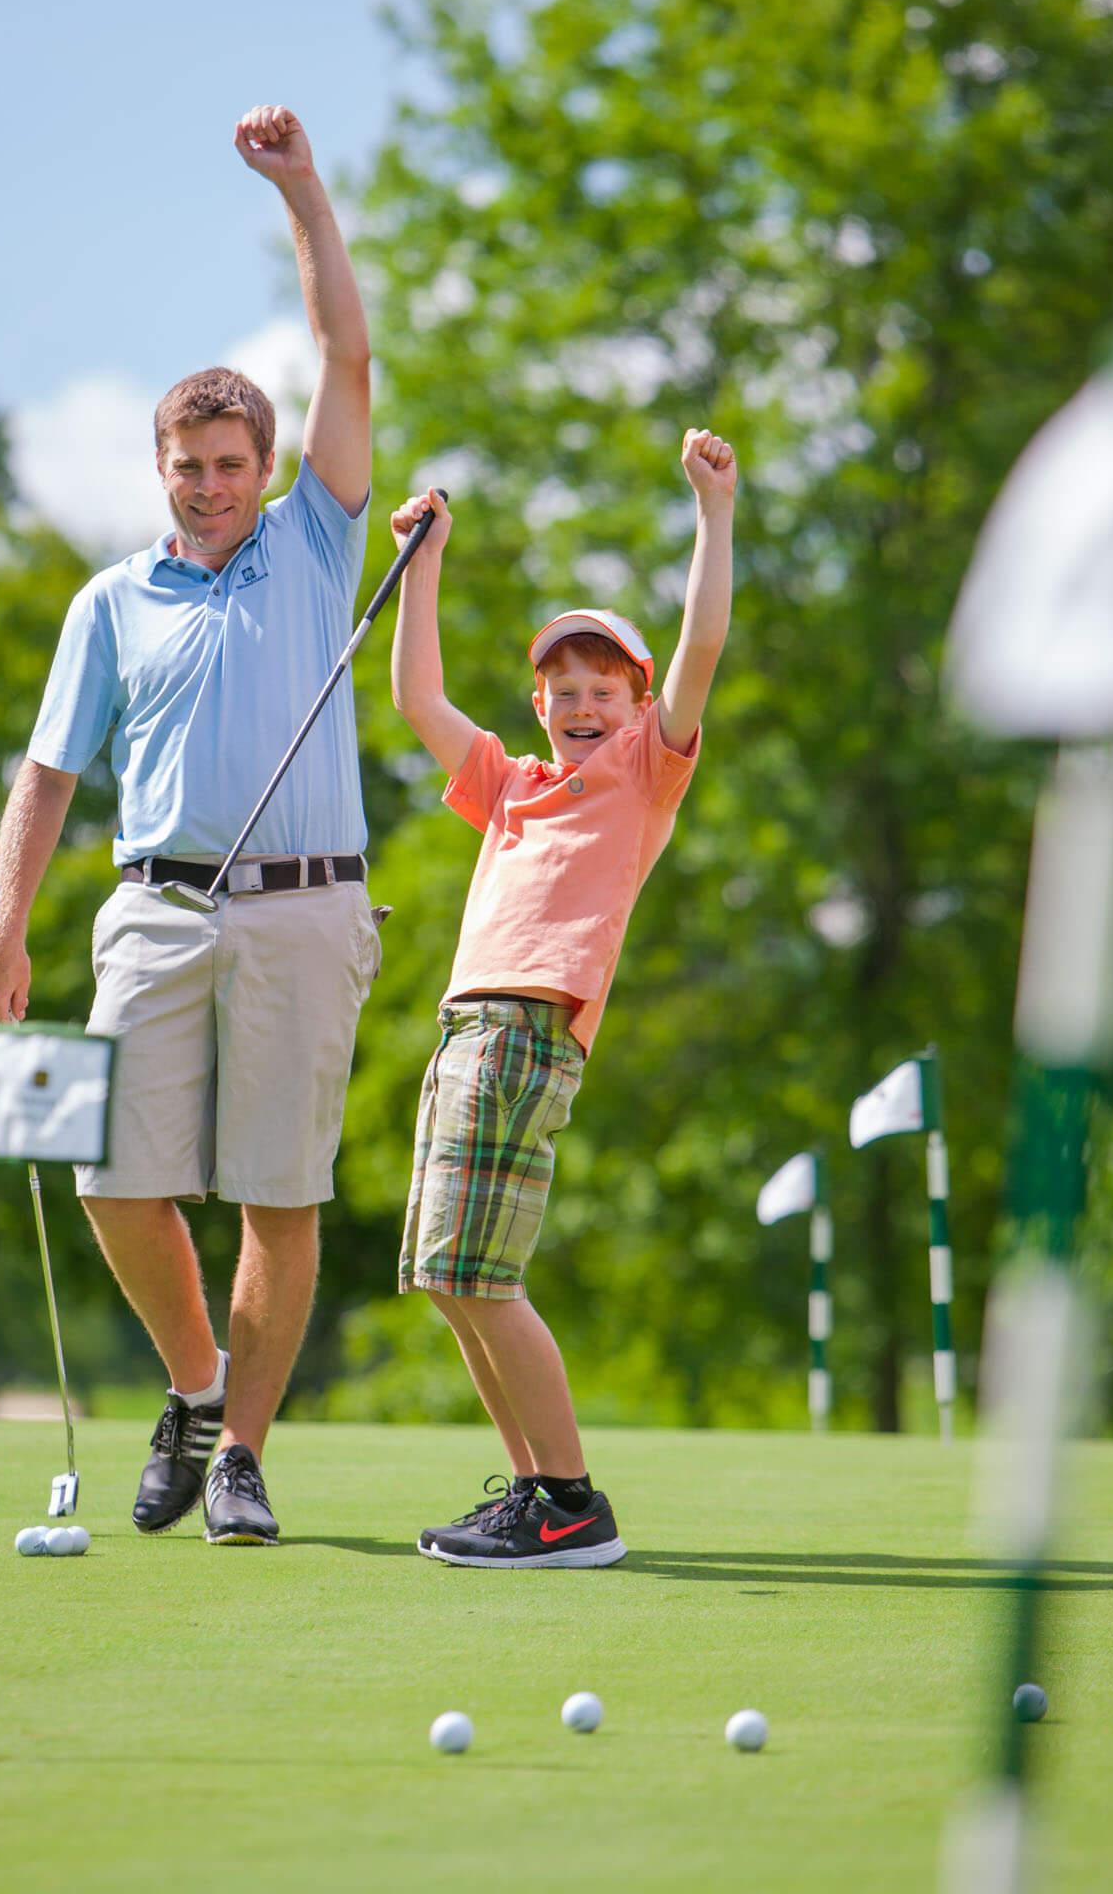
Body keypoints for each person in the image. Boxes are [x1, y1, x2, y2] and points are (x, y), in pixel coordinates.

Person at [0, 105, 374, 1549]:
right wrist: (4, 921)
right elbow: (47, 774)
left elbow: (343, 351)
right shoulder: (109, 601)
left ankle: (246, 1460)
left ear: (265, 466)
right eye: (186, 464)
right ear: (159, 468)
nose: (208, 484)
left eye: (228, 462)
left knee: (278, 1192)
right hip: (154, 906)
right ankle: (197, 1387)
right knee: (112, 1181)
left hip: (307, 905)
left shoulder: (320, 540)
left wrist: (303, 195)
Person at [388, 427, 736, 1566]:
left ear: (637, 703)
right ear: (540, 703)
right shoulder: (510, 784)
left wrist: (713, 512)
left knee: (481, 1274)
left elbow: (704, 644)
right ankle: (537, 1492)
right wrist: (422, 558)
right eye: (564, 688)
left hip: (529, 1027)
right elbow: (416, 693)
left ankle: (574, 1502)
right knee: (446, 1275)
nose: (584, 703)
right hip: (466, 1028)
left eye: (605, 687)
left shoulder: (644, 770)